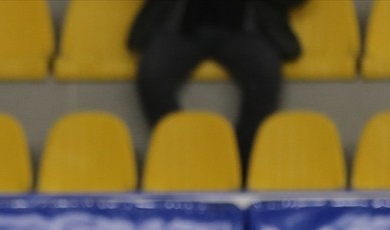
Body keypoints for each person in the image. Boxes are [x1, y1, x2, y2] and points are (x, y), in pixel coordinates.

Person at [127, 0, 308, 169]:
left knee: (265, 74)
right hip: (180, 29)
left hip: (246, 31)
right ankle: (186, 155)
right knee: (152, 73)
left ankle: (237, 162)